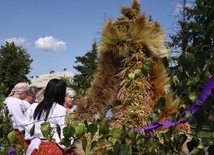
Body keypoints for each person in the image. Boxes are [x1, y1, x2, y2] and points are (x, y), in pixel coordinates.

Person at [25, 79, 74, 155]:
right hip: (51, 147)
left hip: (34, 146)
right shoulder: (60, 110)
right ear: (62, 94)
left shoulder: (34, 107)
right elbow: (63, 134)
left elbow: (27, 127)